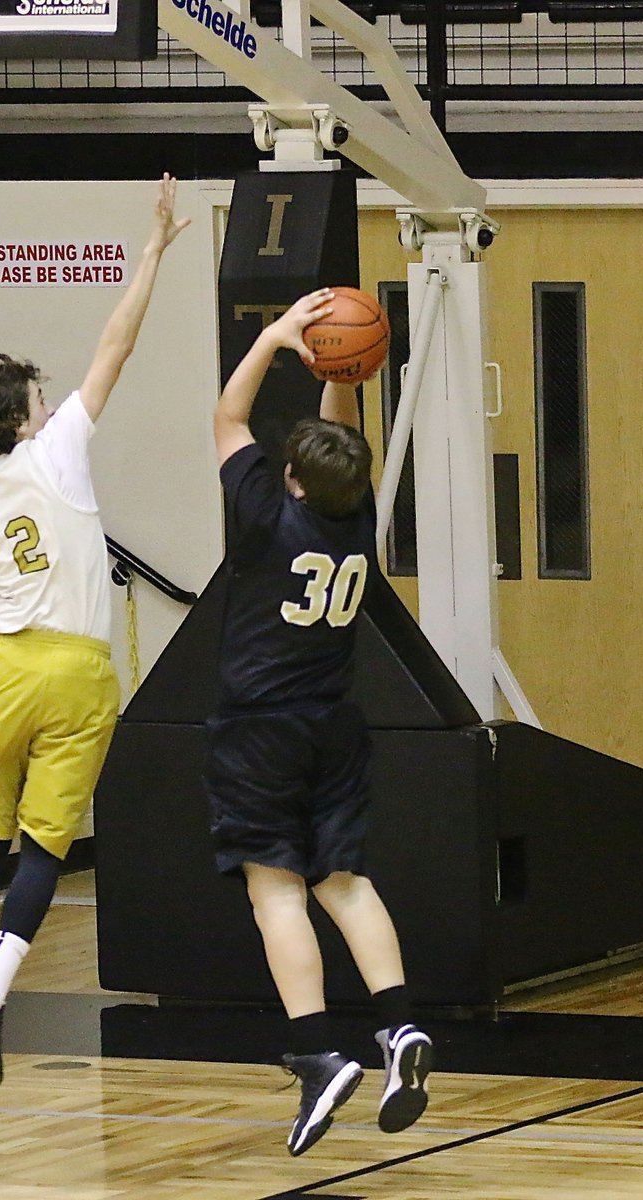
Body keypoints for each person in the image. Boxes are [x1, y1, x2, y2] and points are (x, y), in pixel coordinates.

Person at [0, 174, 190, 1087]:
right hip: (78, 671)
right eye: (39, 400)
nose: (52, 406)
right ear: (20, 421)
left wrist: (0, 634)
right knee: (48, 846)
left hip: (5, 664)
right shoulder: (60, 451)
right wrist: (154, 250)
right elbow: (114, 345)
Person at [207, 289, 433, 1157]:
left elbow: (228, 416)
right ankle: (400, 1027)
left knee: (276, 889)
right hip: (335, 725)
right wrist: (339, 371)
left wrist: (271, 339)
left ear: (291, 478)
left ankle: (316, 1051)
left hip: (258, 730)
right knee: (346, 881)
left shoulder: (265, 517)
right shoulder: (357, 516)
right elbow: (346, 448)